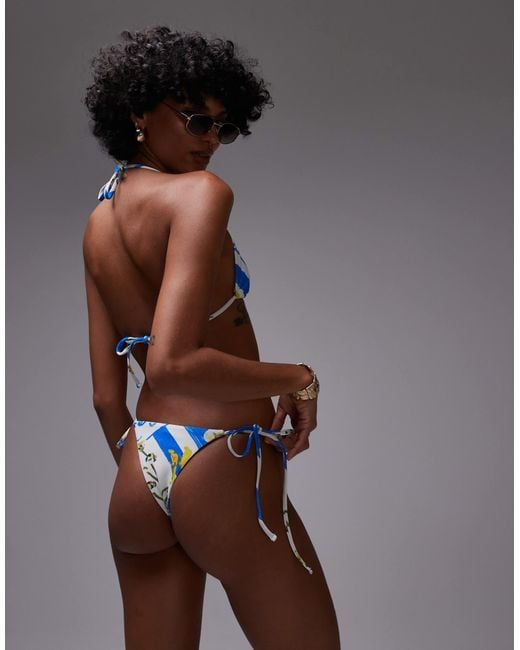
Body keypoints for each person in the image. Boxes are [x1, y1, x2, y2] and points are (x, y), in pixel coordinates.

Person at [82, 25, 341, 649]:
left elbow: (106, 398)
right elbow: (172, 364)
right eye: (196, 120)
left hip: (141, 470)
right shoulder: (200, 195)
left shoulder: (99, 220)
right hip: (222, 458)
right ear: (138, 111)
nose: (211, 141)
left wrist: (156, 476)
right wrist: (299, 377)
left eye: (223, 127)